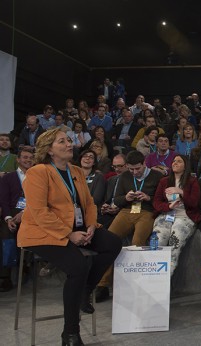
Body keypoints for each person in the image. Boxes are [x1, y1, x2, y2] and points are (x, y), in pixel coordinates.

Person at [17, 128, 121, 346]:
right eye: (62, 141)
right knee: (78, 266)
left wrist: (92, 225)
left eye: (68, 140)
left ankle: (86, 289)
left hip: (79, 227)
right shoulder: (38, 172)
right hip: (44, 233)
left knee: (112, 243)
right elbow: (40, 213)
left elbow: (89, 203)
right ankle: (70, 333)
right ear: (50, 150)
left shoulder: (75, 170)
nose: (69, 144)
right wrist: (69, 234)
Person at [95, 150, 163, 302]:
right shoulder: (125, 176)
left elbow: (161, 202)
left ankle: (135, 283)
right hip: (127, 211)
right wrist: (125, 197)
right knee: (108, 241)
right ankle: (102, 284)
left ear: (144, 163)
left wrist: (148, 198)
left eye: (137, 168)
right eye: (131, 169)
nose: (134, 172)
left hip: (146, 212)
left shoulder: (157, 176)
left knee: (137, 242)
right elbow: (117, 200)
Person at [152, 155, 201, 276]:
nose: (175, 163)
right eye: (174, 161)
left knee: (175, 244)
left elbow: (195, 203)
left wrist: (181, 192)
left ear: (185, 166)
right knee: (158, 242)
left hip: (184, 216)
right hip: (166, 215)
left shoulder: (192, 181)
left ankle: (166, 280)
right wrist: (168, 207)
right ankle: (153, 278)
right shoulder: (164, 181)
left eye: (179, 161)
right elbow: (156, 202)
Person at [0, 148, 34, 291]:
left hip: (32, 213)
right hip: (12, 213)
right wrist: (8, 218)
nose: (28, 160)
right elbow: (4, 200)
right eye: (25, 157)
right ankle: (5, 276)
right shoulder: (8, 177)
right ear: (18, 159)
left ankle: (25, 266)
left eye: (31, 158)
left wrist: (26, 213)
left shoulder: (38, 177)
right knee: (6, 235)